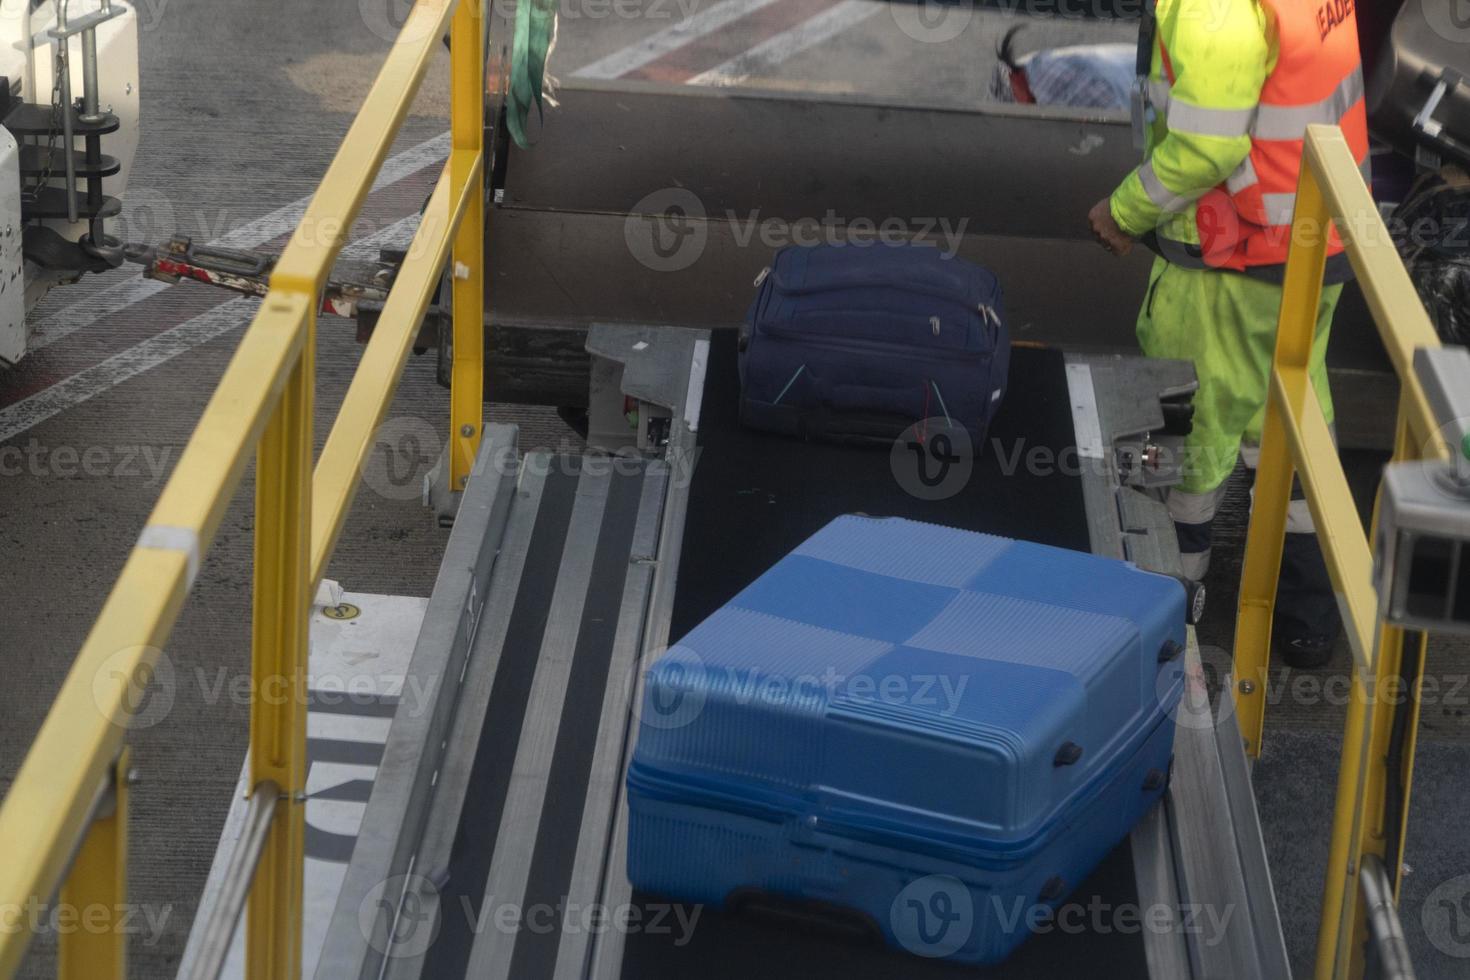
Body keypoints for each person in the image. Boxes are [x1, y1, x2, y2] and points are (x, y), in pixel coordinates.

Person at [1087, 0, 1370, 668]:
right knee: (1292, 411)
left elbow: (1206, 150)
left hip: (1234, 258)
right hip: (1313, 235)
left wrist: (1123, 211)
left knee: (1191, 432)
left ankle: (1167, 612)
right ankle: (1306, 615)